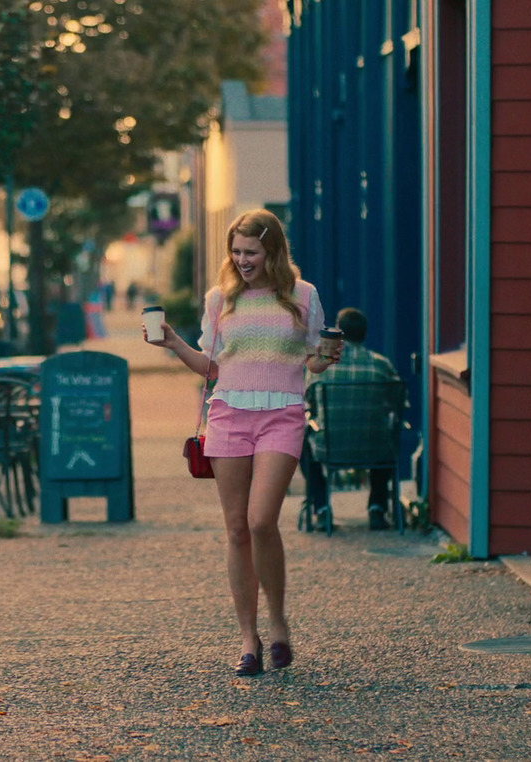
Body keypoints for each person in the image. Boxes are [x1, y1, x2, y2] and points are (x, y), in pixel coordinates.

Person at [144, 209, 340, 677]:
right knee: (235, 528)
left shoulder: (304, 296)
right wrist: (174, 344)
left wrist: (328, 358)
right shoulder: (220, 300)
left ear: (272, 250)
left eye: (250, 252)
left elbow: (312, 362)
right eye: (236, 251)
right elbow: (212, 368)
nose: (242, 260)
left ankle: (278, 623)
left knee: (261, 520)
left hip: (282, 414)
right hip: (229, 415)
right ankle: (249, 638)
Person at [302, 307, 404, 530]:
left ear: (339, 333)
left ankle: (321, 509)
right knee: (387, 437)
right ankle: (377, 507)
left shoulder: (323, 367)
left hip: (330, 447)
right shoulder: (381, 365)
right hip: (373, 447)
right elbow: (398, 403)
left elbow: (309, 401)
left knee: (305, 444)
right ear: (364, 334)